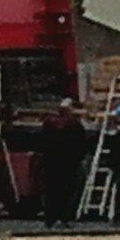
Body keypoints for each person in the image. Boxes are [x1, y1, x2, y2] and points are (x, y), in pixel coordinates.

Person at [39, 98, 89, 228]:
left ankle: (50, 219)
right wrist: (79, 158)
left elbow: (42, 143)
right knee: (67, 192)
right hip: (69, 164)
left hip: (51, 164)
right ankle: (63, 218)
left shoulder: (49, 124)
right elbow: (82, 145)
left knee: (52, 192)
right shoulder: (75, 125)